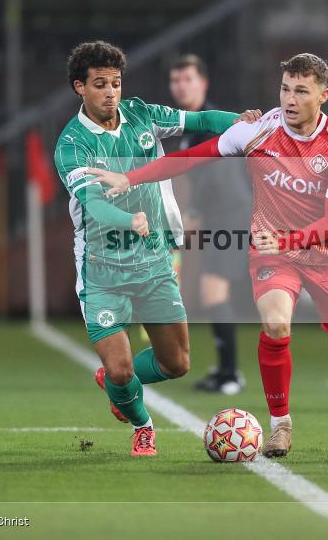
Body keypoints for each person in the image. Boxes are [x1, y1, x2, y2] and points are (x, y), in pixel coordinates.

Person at [89, 53, 328, 458]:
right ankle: (280, 426)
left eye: (301, 91)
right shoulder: (259, 131)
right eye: (284, 89)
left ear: (323, 96)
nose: (289, 99)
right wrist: (130, 177)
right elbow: (190, 157)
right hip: (273, 255)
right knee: (276, 323)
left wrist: (286, 240)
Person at [52, 41, 259, 457]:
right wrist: (126, 220)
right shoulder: (72, 146)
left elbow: (199, 118)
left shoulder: (143, 114)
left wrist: (238, 122)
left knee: (176, 363)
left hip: (153, 260)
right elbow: (92, 203)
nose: (111, 92)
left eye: (115, 83)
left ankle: (114, 385)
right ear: (80, 87)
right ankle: (142, 425)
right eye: (100, 84)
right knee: (121, 366)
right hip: (102, 267)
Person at [167, 54, 251, 395]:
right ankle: (226, 370)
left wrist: (194, 216)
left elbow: (217, 176)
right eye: (176, 80)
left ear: (203, 83)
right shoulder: (192, 126)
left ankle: (231, 374)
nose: (181, 86)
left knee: (214, 291)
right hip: (220, 216)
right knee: (211, 291)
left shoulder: (211, 123)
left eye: (188, 79)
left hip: (231, 216)